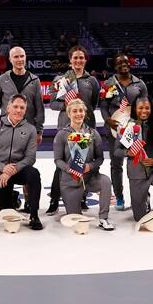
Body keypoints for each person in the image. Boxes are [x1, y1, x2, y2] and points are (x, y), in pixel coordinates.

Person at [46, 46, 101, 214]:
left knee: (84, 163)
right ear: (70, 60)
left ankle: (82, 197)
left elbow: (94, 103)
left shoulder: (91, 80)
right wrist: (67, 104)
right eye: (75, 58)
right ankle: (55, 199)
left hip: (86, 128)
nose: (78, 61)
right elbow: (53, 104)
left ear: (85, 60)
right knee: (61, 164)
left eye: (81, 58)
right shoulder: (60, 80)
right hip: (66, 128)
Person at [0, 94, 43, 230]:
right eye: (15, 107)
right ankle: (12, 197)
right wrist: (3, 168)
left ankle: (34, 215)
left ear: (26, 110)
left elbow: (30, 158)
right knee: (7, 213)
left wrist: (13, 169)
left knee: (34, 174)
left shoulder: (30, 129)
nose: (19, 110)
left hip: (19, 170)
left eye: (22, 108)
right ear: (8, 108)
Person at [114, 98, 153, 228]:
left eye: (147, 108)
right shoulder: (127, 127)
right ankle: (145, 198)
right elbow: (116, 151)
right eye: (140, 108)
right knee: (139, 218)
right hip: (136, 173)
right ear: (134, 110)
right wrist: (128, 153)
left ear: (151, 109)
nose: (144, 111)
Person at [53, 99, 114, 230]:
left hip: (90, 178)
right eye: (74, 111)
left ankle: (103, 218)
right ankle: (76, 202)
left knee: (105, 181)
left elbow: (100, 158)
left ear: (85, 113)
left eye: (81, 111)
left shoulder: (93, 134)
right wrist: (70, 169)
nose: (78, 114)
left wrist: (90, 166)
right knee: (76, 221)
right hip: (70, 181)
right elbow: (57, 160)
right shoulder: (61, 135)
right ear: (69, 114)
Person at [99, 54, 148, 211]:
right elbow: (104, 106)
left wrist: (140, 123)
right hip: (115, 129)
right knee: (116, 164)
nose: (124, 64)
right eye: (119, 62)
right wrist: (108, 121)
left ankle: (142, 195)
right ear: (115, 66)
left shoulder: (139, 83)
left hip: (135, 129)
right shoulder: (108, 83)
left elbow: (145, 106)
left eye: (126, 62)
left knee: (138, 161)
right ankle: (119, 196)